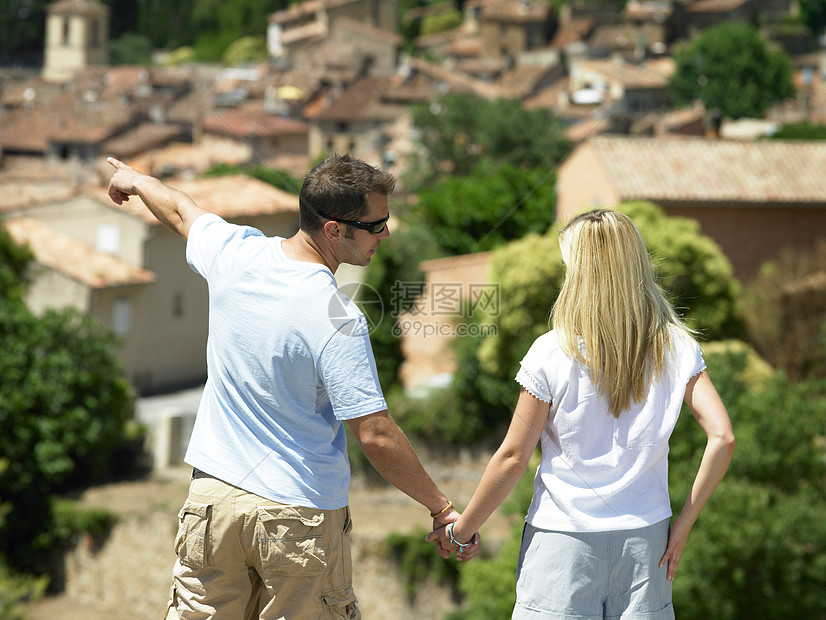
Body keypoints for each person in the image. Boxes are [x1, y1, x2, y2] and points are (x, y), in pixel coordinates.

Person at [106, 154, 476, 620]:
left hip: (213, 501)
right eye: (377, 224)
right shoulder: (336, 317)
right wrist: (442, 509)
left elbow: (180, 210)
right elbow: (375, 434)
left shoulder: (236, 253)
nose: (386, 233)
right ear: (335, 230)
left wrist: (136, 181)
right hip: (298, 516)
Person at [428, 208, 735, 618]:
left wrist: (462, 532)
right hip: (647, 543)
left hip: (562, 543)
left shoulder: (551, 351)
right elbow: (723, 437)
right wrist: (683, 526)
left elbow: (514, 455)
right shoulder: (677, 346)